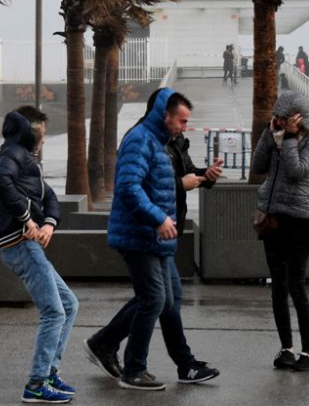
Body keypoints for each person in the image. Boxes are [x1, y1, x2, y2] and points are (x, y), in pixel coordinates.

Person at [84, 89, 223, 386]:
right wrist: (158, 218)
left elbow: (161, 183)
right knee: (154, 298)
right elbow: (128, 187)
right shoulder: (140, 140)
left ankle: (106, 343)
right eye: (182, 121)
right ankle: (134, 369)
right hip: (139, 235)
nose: (185, 127)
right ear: (165, 115)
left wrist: (202, 177)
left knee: (167, 298)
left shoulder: (162, 142)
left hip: (156, 237)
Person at [0, 106, 78, 404]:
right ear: (26, 131)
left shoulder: (26, 160)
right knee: (54, 311)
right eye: (39, 130)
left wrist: (48, 225)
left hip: (29, 241)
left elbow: (49, 197)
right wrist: (28, 220)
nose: (43, 136)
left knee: (69, 303)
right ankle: (37, 384)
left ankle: (50, 373)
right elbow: (0, 182)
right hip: (19, 242)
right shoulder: (11, 154)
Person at [251, 90, 309, 372]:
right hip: (272, 217)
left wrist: (291, 139)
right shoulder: (278, 136)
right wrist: (269, 137)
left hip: (299, 220)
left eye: (286, 119)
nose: (281, 123)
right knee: (278, 286)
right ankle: (286, 348)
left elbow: (298, 171)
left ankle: (308, 353)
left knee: (296, 285)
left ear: (299, 117)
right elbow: (259, 166)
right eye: (278, 118)